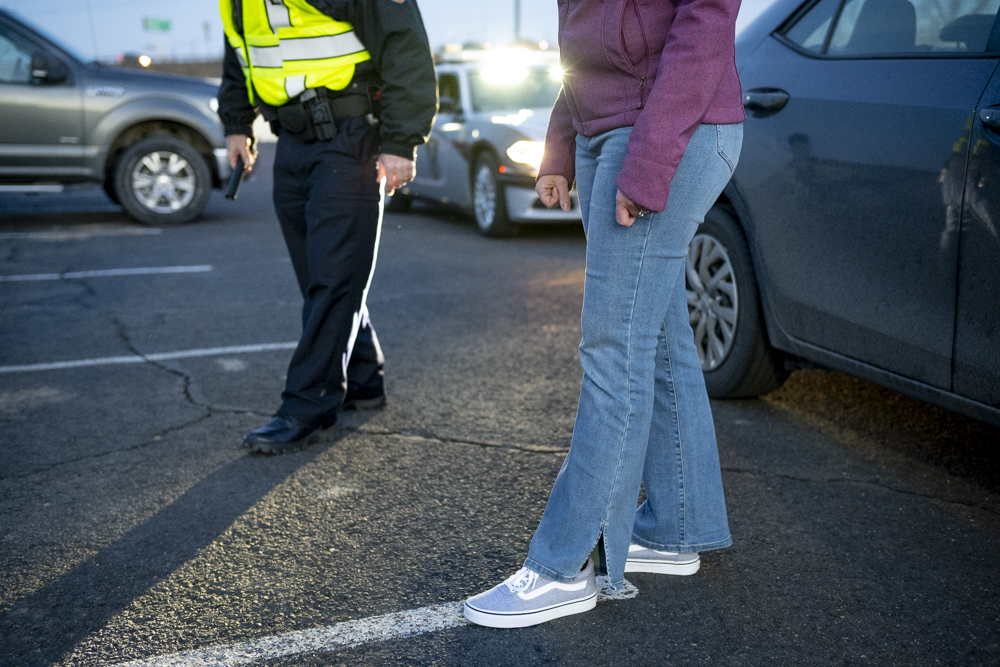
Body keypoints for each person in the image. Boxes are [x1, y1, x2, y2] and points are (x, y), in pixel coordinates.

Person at [464, 0, 745, 628]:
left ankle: (568, 564)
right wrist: (561, 141)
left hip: (666, 129)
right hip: (606, 130)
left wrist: (647, 161)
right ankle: (677, 527)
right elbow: (581, 36)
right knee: (661, 336)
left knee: (613, 347)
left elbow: (705, 20)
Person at [217, 0, 437, 454]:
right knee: (320, 274)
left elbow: (404, 44)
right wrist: (237, 124)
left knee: (335, 274)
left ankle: (307, 404)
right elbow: (240, 53)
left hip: (350, 134)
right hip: (291, 142)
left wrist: (400, 141)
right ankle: (363, 379)